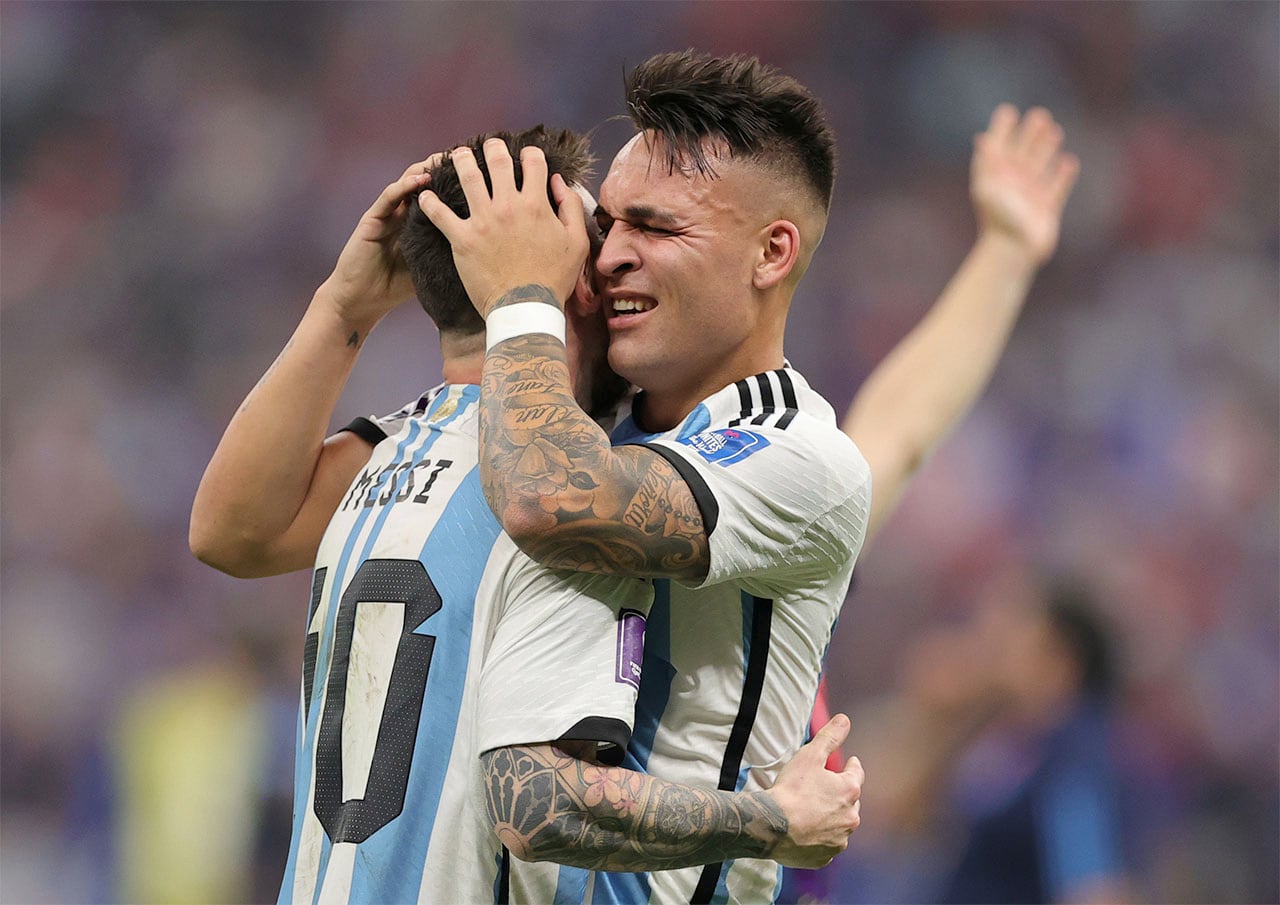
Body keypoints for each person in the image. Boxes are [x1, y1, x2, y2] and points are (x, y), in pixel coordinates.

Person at [422, 50, 1077, 903]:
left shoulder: (788, 460)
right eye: (607, 226)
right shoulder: (597, 432)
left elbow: (554, 498)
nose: (610, 255)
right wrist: (345, 308)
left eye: (653, 228)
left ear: (771, 253)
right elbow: (236, 534)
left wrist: (520, 300)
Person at [190, 126, 863, 905]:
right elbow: (540, 804)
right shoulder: (569, 501)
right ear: (567, 282)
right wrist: (770, 819)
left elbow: (229, 529)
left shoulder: (399, 453)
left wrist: (344, 304)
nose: (614, 263)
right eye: (603, 235)